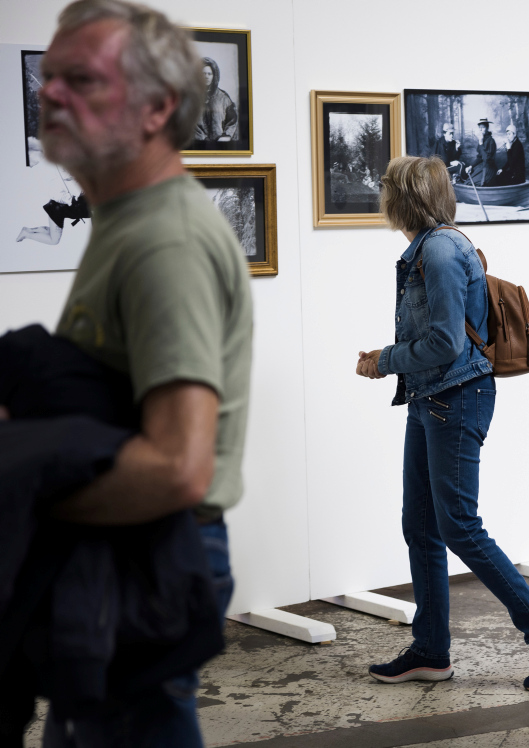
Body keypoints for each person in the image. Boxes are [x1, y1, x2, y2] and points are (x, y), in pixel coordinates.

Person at [25, 1, 253, 744]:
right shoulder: (126, 218)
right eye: (50, 76)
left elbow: (178, 468)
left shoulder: (163, 239)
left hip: (149, 555)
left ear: (157, 107)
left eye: (81, 79)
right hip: (126, 551)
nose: (49, 92)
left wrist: (22, 489)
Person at [355, 156, 529, 693]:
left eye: (387, 190)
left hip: (455, 398)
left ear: (403, 198)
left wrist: (384, 360)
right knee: (422, 525)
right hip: (431, 396)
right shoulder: (433, 245)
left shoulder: (437, 250)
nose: (382, 198)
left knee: (458, 526)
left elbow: (445, 343)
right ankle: (431, 649)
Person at [195, 56, 238, 145]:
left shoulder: (223, 97)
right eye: (204, 74)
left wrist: (226, 136)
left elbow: (232, 121)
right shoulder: (193, 97)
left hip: (220, 146)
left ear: (214, 76)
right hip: (198, 146)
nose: (206, 77)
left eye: (209, 74)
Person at [466, 117, 496, 186]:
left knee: (475, 184)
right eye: (479, 127)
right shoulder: (482, 139)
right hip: (482, 167)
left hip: (489, 169)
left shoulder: (491, 141)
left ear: (487, 128)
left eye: (482, 127)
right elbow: (480, 157)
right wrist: (471, 166)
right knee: (468, 182)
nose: (480, 129)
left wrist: (481, 143)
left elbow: (486, 159)